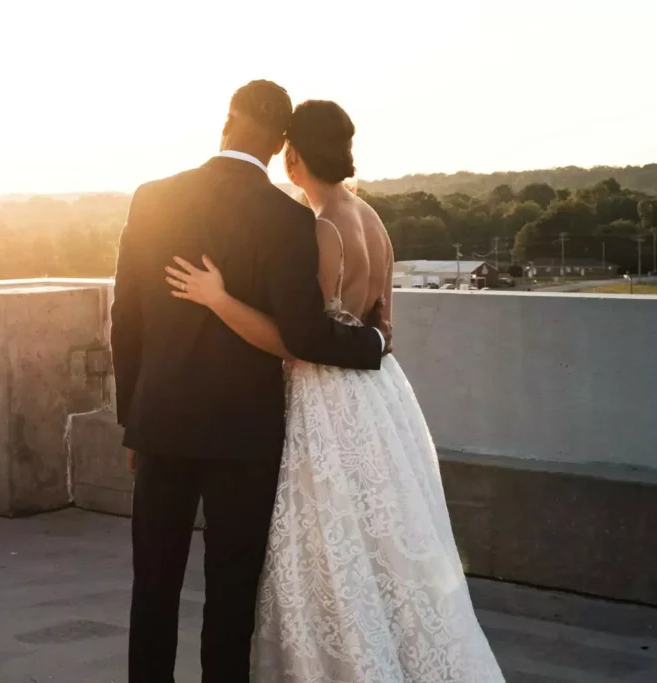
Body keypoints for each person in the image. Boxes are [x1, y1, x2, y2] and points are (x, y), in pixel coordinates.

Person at [165, 100, 505, 682]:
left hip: (322, 395)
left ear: (293, 154)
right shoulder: (371, 219)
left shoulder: (320, 228)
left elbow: (299, 339)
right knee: (381, 541)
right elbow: (383, 327)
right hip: (378, 397)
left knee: (324, 539)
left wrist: (217, 298)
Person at [111, 81, 389, 683]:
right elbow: (304, 335)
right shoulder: (287, 217)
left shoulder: (152, 197)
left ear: (228, 120)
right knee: (231, 595)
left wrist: (132, 420)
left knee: (153, 588)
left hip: (160, 424)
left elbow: (124, 318)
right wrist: (373, 343)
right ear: (278, 143)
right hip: (245, 436)